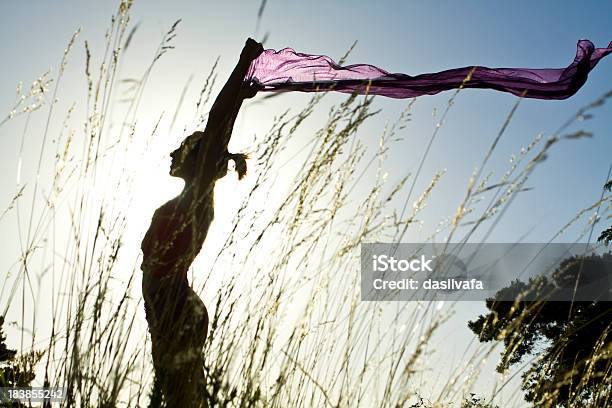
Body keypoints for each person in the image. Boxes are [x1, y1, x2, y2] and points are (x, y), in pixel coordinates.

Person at [140, 38, 264, 407]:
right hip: (167, 312)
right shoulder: (188, 197)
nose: (171, 152)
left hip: (175, 308)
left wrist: (242, 67)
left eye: (181, 148)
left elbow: (216, 121)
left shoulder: (197, 195)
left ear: (199, 159)